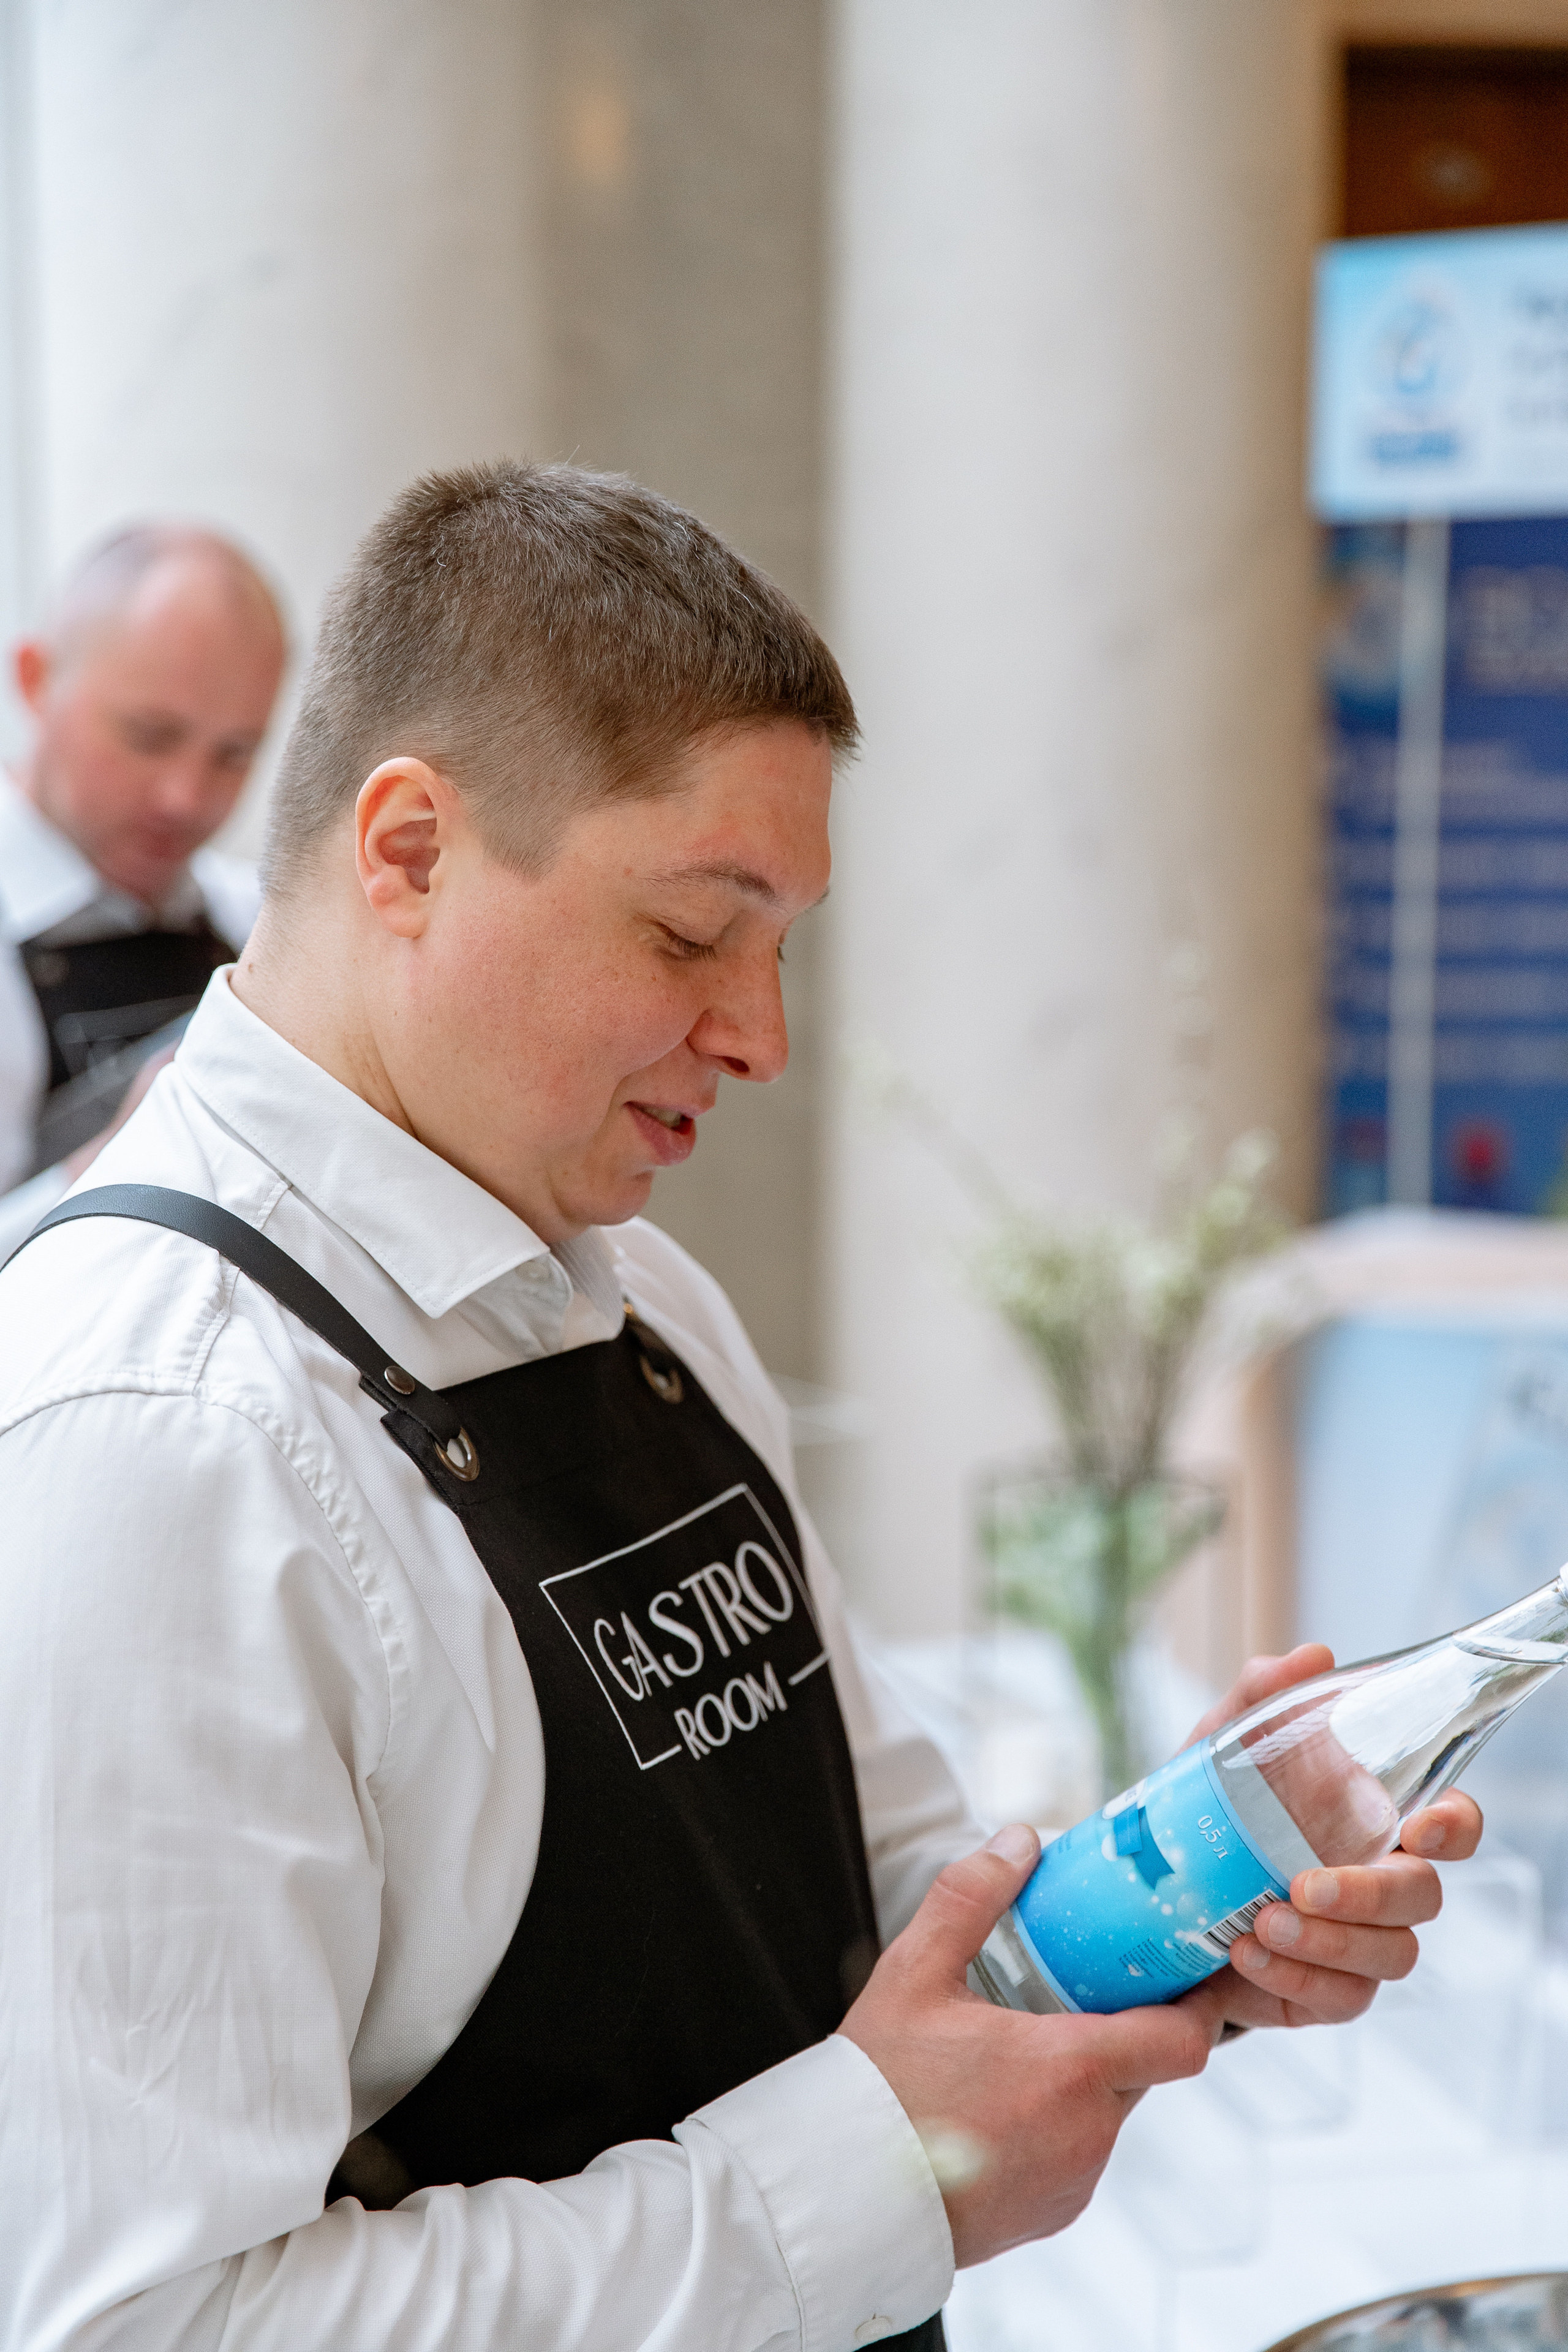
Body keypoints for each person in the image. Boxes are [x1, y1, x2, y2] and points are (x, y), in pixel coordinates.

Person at [0, 462, 1480, 2351]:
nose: (763, 1036)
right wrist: (869, 2173)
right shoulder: (147, 1446)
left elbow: (882, 1906)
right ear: (407, 850)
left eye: (781, 944)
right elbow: (142, 2324)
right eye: (697, 933)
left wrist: (1186, 1893)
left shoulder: (652, 1300)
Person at [0, 523, 287, 1259]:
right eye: (150, 735)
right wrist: (113, 1169)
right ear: (35, 681)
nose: (185, 798)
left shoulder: (257, 920)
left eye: (233, 753)